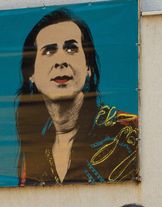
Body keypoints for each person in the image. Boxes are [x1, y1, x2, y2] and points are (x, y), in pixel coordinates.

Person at [15, 8, 138, 186]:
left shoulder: (128, 130)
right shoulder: (35, 152)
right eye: (49, 51)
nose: (60, 61)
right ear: (31, 74)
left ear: (88, 67)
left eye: (71, 48)